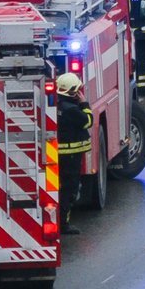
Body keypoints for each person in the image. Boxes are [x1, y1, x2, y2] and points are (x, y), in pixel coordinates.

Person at [54, 72, 93, 233]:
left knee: (63, 188)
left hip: (61, 155)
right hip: (71, 157)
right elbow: (88, 121)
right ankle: (64, 224)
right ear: (73, 92)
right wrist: (84, 104)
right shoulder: (72, 110)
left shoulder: (57, 106)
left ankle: (61, 221)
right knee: (69, 190)